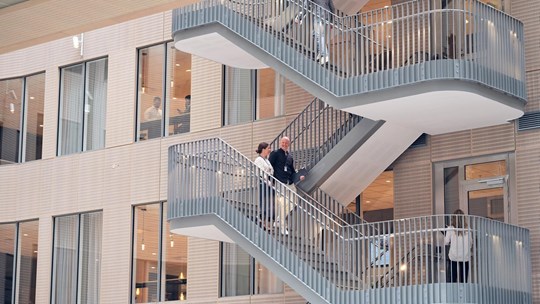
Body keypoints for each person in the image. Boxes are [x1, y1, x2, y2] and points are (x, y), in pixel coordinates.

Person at [269, 137, 305, 234]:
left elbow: (292, 171)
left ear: (289, 144)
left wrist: (299, 177)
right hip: (280, 182)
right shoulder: (275, 153)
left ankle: (278, 219)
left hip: (290, 183)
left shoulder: (289, 157)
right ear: (280, 143)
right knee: (282, 204)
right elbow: (269, 167)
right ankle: (282, 227)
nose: (284, 144)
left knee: (294, 202)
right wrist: (270, 180)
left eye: (286, 143)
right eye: (283, 142)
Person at [295, 0, 335, 65]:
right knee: (315, 33)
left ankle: (324, 55)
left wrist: (299, 17)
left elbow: (306, 6)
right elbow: (332, 8)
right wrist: (331, 21)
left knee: (318, 35)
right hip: (327, 16)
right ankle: (321, 51)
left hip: (319, 15)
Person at [444, 209, 472, 283]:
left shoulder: (450, 228)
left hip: (453, 256)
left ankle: (453, 293)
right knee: (464, 279)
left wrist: (446, 233)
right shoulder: (468, 229)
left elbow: (446, 242)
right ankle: (463, 293)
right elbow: (470, 243)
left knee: (453, 279)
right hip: (465, 256)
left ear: (453, 218)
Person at [254, 142, 274, 229]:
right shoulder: (258, 160)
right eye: (268, 148)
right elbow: (260, 172)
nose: (270, 150)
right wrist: (267, 181)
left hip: (269, 184)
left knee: (269, 203)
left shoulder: (266, 160)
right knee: (264, 203)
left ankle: (266, 222)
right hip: (263, 183)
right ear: (263, 149)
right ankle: (262, 220)